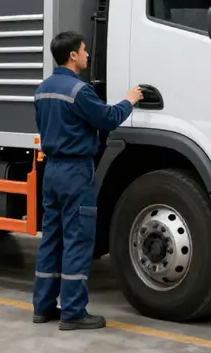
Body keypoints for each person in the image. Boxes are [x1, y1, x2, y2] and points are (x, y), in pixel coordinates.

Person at [31, 30, 143, 331]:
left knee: (51, 239)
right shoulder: (79, 91)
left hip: (52, 170)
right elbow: (108, 118)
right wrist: (129, 100)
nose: (88, 54)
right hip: (75, 172)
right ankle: (73, 312)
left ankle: (42, 307)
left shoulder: (43, 89)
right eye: (84, 50)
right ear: (72, 55)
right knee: (77, 241)